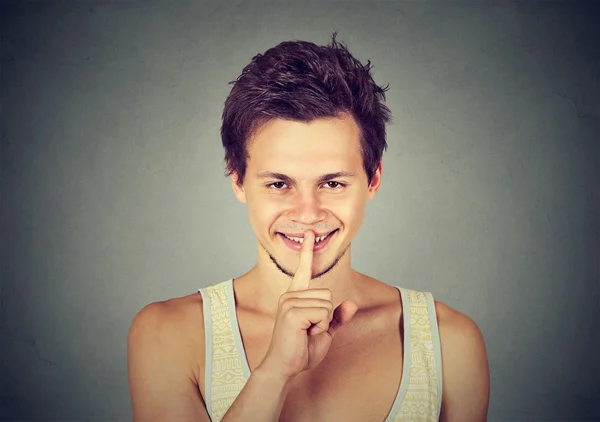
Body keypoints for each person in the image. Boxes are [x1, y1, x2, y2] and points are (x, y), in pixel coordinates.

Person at [127, 32, 490, 422]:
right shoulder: (168, 335)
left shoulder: (449, 341)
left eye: (332, 183)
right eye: (278, 184)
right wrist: (274, 372)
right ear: (237, 181)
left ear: (373, 180)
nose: (308, 213)